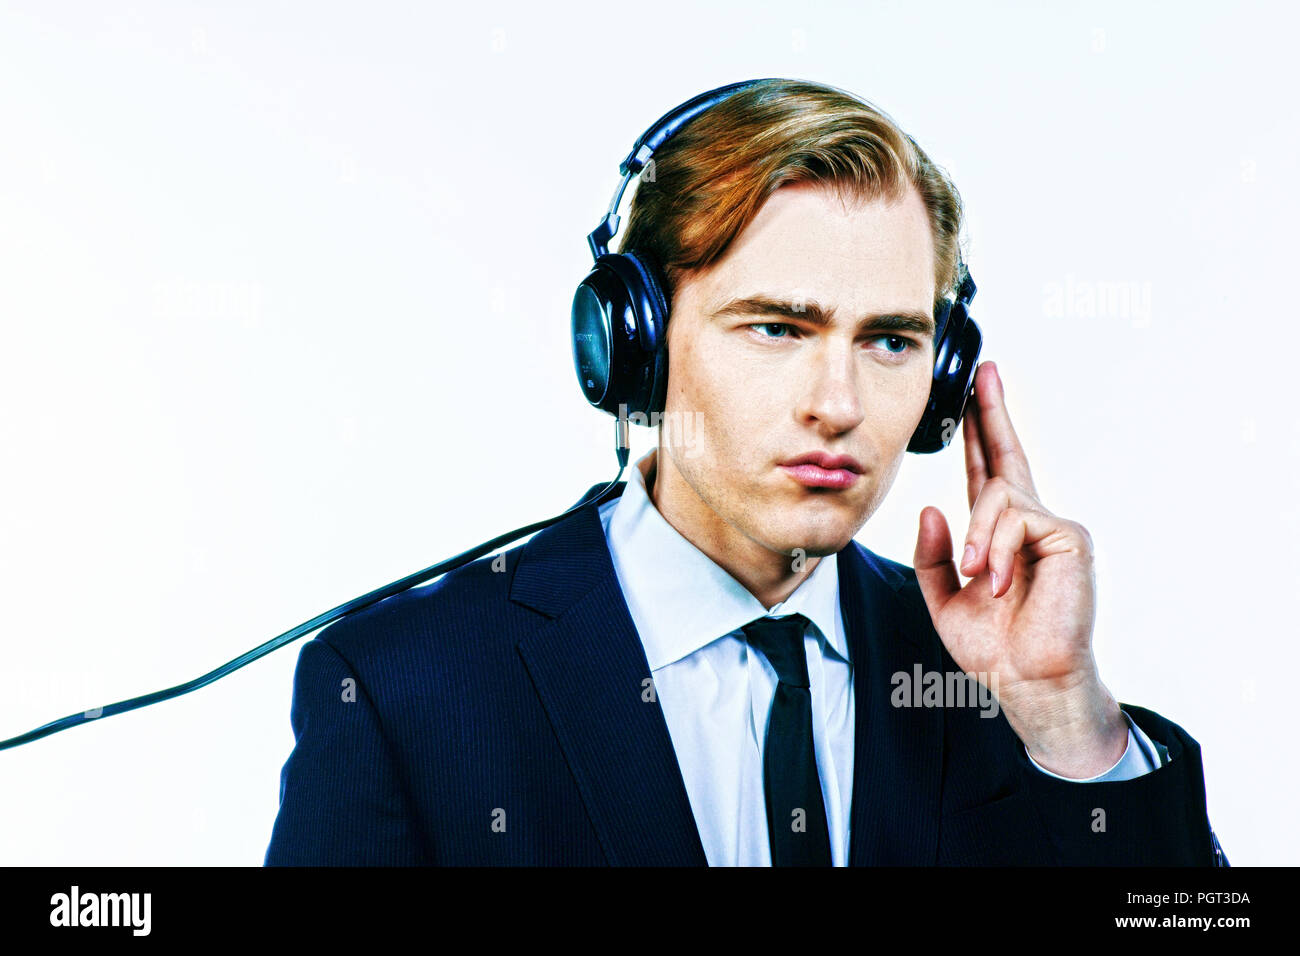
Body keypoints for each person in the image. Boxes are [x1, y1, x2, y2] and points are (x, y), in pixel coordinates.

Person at [264, 78, 1224, 866]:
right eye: (777, 328)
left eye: (890, 340)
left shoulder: (991, 677)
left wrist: (1067, 717)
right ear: (634, 345)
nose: (837, 404)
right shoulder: (404, 690)